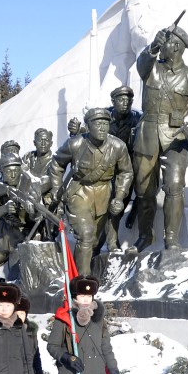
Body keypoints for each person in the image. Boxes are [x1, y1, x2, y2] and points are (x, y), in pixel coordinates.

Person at [131, 25, 188, 251]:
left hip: (177, 138)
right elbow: (141, 64)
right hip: (147, 133)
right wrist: (154, 45)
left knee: (175, 186)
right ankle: (145, 235)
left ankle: (171, 239)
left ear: (175, 46)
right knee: (144, 189)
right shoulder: (151, 69)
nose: (162, 45)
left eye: (165, 41)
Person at [49, 108, 134, 273]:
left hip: (104, 193)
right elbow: (57, 164)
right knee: (86, 234)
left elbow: (126, 172)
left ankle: (84, 276)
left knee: (94, 242)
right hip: (79, 192)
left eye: (105, 124)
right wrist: (56, 187)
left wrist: (119, 196)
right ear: (88, 126)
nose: (102, 128)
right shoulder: (75, 144)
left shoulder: (118, 146)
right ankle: (82, 283)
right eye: (98, 124)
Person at [0, 154, 41, 286]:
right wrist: (5, 209)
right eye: (8, 171)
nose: (12, 174)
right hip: (4, 234)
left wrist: (32, 210)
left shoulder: (31, 183)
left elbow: (38, 217)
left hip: (26, 235)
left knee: (15, 277)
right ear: (1, 172)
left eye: (16, 170)